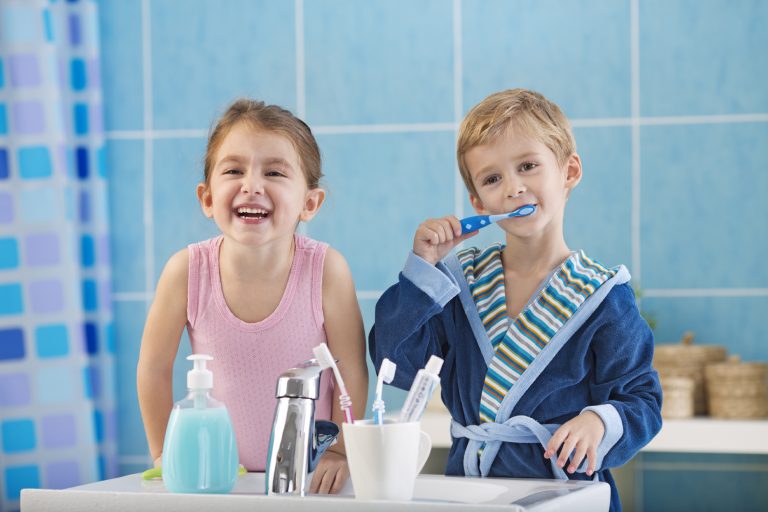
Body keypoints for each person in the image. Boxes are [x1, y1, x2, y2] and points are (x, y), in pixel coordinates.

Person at [369, 89, 661, 511]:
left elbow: (641, 399)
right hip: (473, 494)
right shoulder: (458, 283)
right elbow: (394, 365)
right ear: (478, 202)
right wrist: (423, 271)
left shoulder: (603, 295)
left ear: (569, 171)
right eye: (492, 179)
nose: (514, 188)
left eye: (528, 166)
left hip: (566, 495)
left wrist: (598, 422)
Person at [137, 99, 368, 494]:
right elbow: (154, 368)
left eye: (274, 172)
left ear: (309, 203)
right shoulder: (186, 271)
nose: (252, 185)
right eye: (233, 170)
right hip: (216, 478)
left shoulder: (327, 270)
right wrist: (163, 455)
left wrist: (340, 450)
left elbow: (351, 372)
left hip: (307, 478)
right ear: (207, 198)